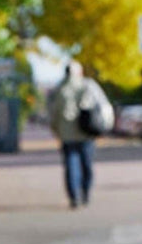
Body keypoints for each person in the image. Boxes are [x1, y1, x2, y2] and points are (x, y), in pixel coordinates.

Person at [46, 60, 113, 207]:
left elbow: (52, 113)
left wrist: (56, 131)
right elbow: (103, 105)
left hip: (66, 134)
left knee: (71, 165)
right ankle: (85, 193)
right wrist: (105, 125)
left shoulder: (58, 89)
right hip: (86, 133)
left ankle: (74, 196)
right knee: (86, 165)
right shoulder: (89, 85)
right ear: (80, 72)